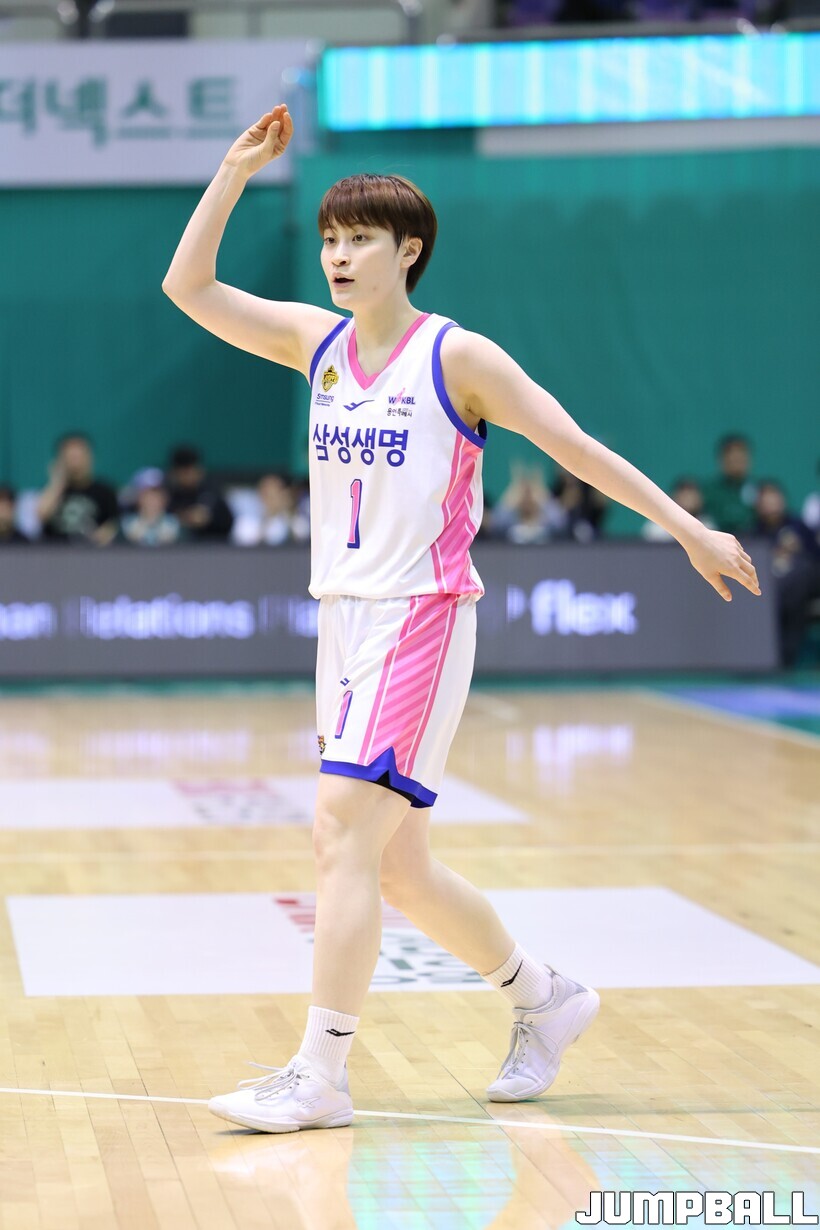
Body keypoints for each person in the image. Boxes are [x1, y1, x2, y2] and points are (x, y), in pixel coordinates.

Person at [162, 103, 761, 1134]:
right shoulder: (315, 342)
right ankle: (545, 998)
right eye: (330, 239)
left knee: (339, 830)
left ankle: (320, 1073)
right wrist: (231, 171)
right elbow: (190, 288)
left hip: (422, 616)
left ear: (409, 252)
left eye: (359, 240)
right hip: (343, 620)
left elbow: (575, 447)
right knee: (398, 865)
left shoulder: (458, 359)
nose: (338, 256)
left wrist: (686, 528)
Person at [753, 479, 820, 668]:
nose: (771, 504)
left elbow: (816, 556)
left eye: (775, 498)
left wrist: (798, 549)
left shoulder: (799, 526)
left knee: (801, 573)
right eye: (766, 500)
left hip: (802, 589)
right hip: (767, 589)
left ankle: (786, 658)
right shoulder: (755, 531)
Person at [36, 432, 119, 546]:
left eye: (79, 456)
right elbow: (42, 515)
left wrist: (100, 536)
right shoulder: (53, 490)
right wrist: (57, 482)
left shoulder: (105, 491)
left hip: (90, 552)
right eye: (70, 457)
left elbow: (112, 525)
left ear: (89, 457)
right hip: (54, 550)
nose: (75, 462)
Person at [165, 444, 234, 541]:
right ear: (175, 473)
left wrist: (208, 518)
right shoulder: (168, 494)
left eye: (192, 470)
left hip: (212, 545)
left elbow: (227, 522)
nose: (189, 476)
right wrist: (185, 517)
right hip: (176, 547)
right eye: (185, 472)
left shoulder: (211, 491)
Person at [231, 471, 310, 546]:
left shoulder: (296, 520)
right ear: (261, 494)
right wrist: (268, 517)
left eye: (277, 493)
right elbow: (246, 545)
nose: (273, 499)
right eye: (269, 494)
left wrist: (288, 514)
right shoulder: (246, 521)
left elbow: (303, 537)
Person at [700, 433, 758, 535]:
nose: (736, 460)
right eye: (732, 457)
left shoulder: (760, 489)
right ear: (722, 460)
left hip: (755, 541)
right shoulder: (707, 491)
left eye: (741, 457)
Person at [119, 467, 184, 546]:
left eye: (157, 494)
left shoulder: (176, 526)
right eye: (147, 494)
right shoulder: (126, 526)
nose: (152, 499)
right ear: (138, 497)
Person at [641, 477, 716, 542]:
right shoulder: (656, 527)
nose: (688, 499)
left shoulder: (708, 527)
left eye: (691, 495)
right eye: (684, 495)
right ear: (674, 497)